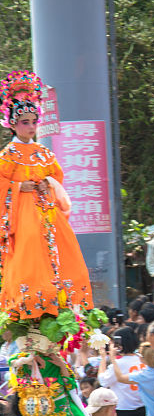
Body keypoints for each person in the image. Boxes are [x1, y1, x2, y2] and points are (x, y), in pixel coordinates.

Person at [0, 70, 93, 321]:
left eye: (33, 121)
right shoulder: (7, 155)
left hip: (47, 213)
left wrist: (47, 185)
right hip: (23, 215)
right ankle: (30, 303)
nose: (30, 127)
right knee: (29, 257)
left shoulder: (45, 153)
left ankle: (60, 300)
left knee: (65, 254)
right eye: (24, 122)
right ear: (12, 123)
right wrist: (19, 188)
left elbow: (57, 179)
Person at [97, 327, 151, 416]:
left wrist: (103, 359)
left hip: (124, 412)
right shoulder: (141, 359)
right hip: (143, 410)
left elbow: (103, 380)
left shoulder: (118, 363)